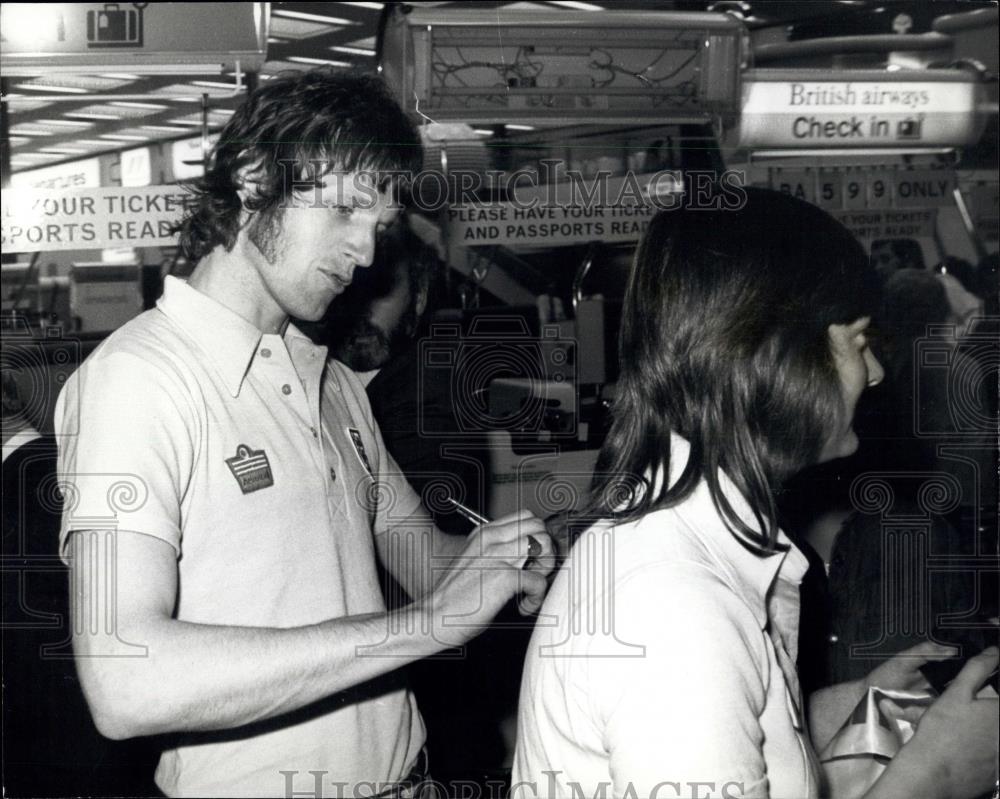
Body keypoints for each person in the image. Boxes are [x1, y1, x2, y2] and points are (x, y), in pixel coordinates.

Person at [54, 68, 552, 799]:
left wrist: (507, 559)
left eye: (378, 225)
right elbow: (124, 680)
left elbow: (425, 566)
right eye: (346, 208)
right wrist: (427, 625)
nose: (365, 252)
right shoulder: (138, 380)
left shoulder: (332, 381)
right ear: (256, 179)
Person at [512, 188, 998, 799]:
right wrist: (937, 774)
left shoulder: (676, 543)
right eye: (856, 342)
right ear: (778, 357)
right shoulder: (673, 607)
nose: (873, 374)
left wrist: (853, 707)